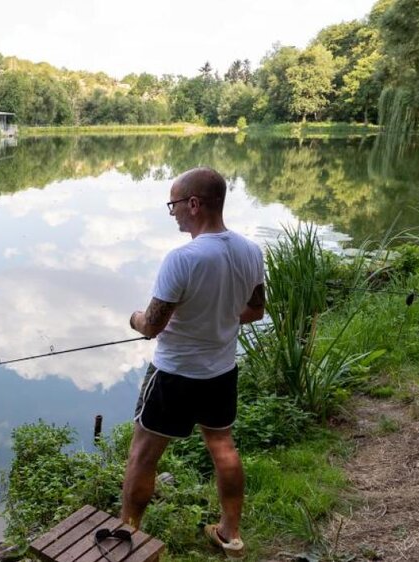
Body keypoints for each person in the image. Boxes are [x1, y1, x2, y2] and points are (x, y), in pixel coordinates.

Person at [120, 167, 265, 559]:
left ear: (194, 204)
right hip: (220, 373)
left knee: (142, 456)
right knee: (223, 448)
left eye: (174, 205)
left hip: (173, 375)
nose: (173, 213)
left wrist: (133, 318)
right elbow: (256, 310)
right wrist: (218, 316)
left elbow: (152, 325)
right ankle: (230, 534)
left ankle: (127, 535)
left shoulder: (182, 259)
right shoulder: (251, 251)